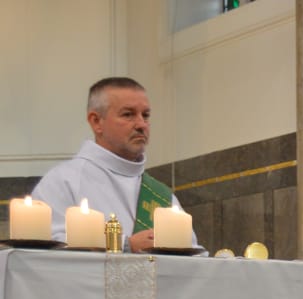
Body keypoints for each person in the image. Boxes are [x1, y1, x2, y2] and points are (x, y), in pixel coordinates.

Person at [33, 76, 199, 253]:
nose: (141, 124)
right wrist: (125, 245)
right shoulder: (63, 181)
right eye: (128, 114)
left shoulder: (160, 195)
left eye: (145, 115)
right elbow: (47, 246)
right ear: (96, 122)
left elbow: (190, 254)